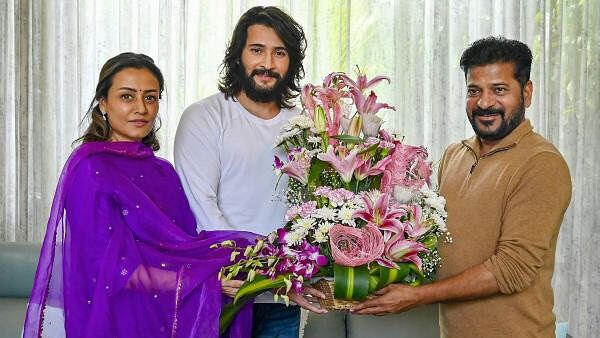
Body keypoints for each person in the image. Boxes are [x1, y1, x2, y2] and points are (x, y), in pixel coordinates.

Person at [23, 52, 257, 338]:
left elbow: (182, 247)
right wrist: (208, 280)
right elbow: (111, 268)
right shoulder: (90, 169)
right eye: (127, 97)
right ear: (103, 103)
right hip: (115, 320)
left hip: (163, 314)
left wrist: (235, 261)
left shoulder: (163, 172)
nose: (141, 108)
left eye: (150, 97)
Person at [351, 36, 572, 338]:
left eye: (499, 90)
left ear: (527, 92)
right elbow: (436, 242)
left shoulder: (541, 163)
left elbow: (511, 269)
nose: (484, 103)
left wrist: (416, 296)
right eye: (474, 90)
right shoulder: (455, 154)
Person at [174, 6, 326, 338]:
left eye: (279, 53)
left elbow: (317, 208)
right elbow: (203, 209)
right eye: (257, 50)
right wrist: (265, 274)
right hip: (222, 290)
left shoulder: (306, 125)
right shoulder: (204, 118)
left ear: (292, 62)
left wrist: (287, 278)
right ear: (238, 55)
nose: (268, 64)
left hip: (283, 299)